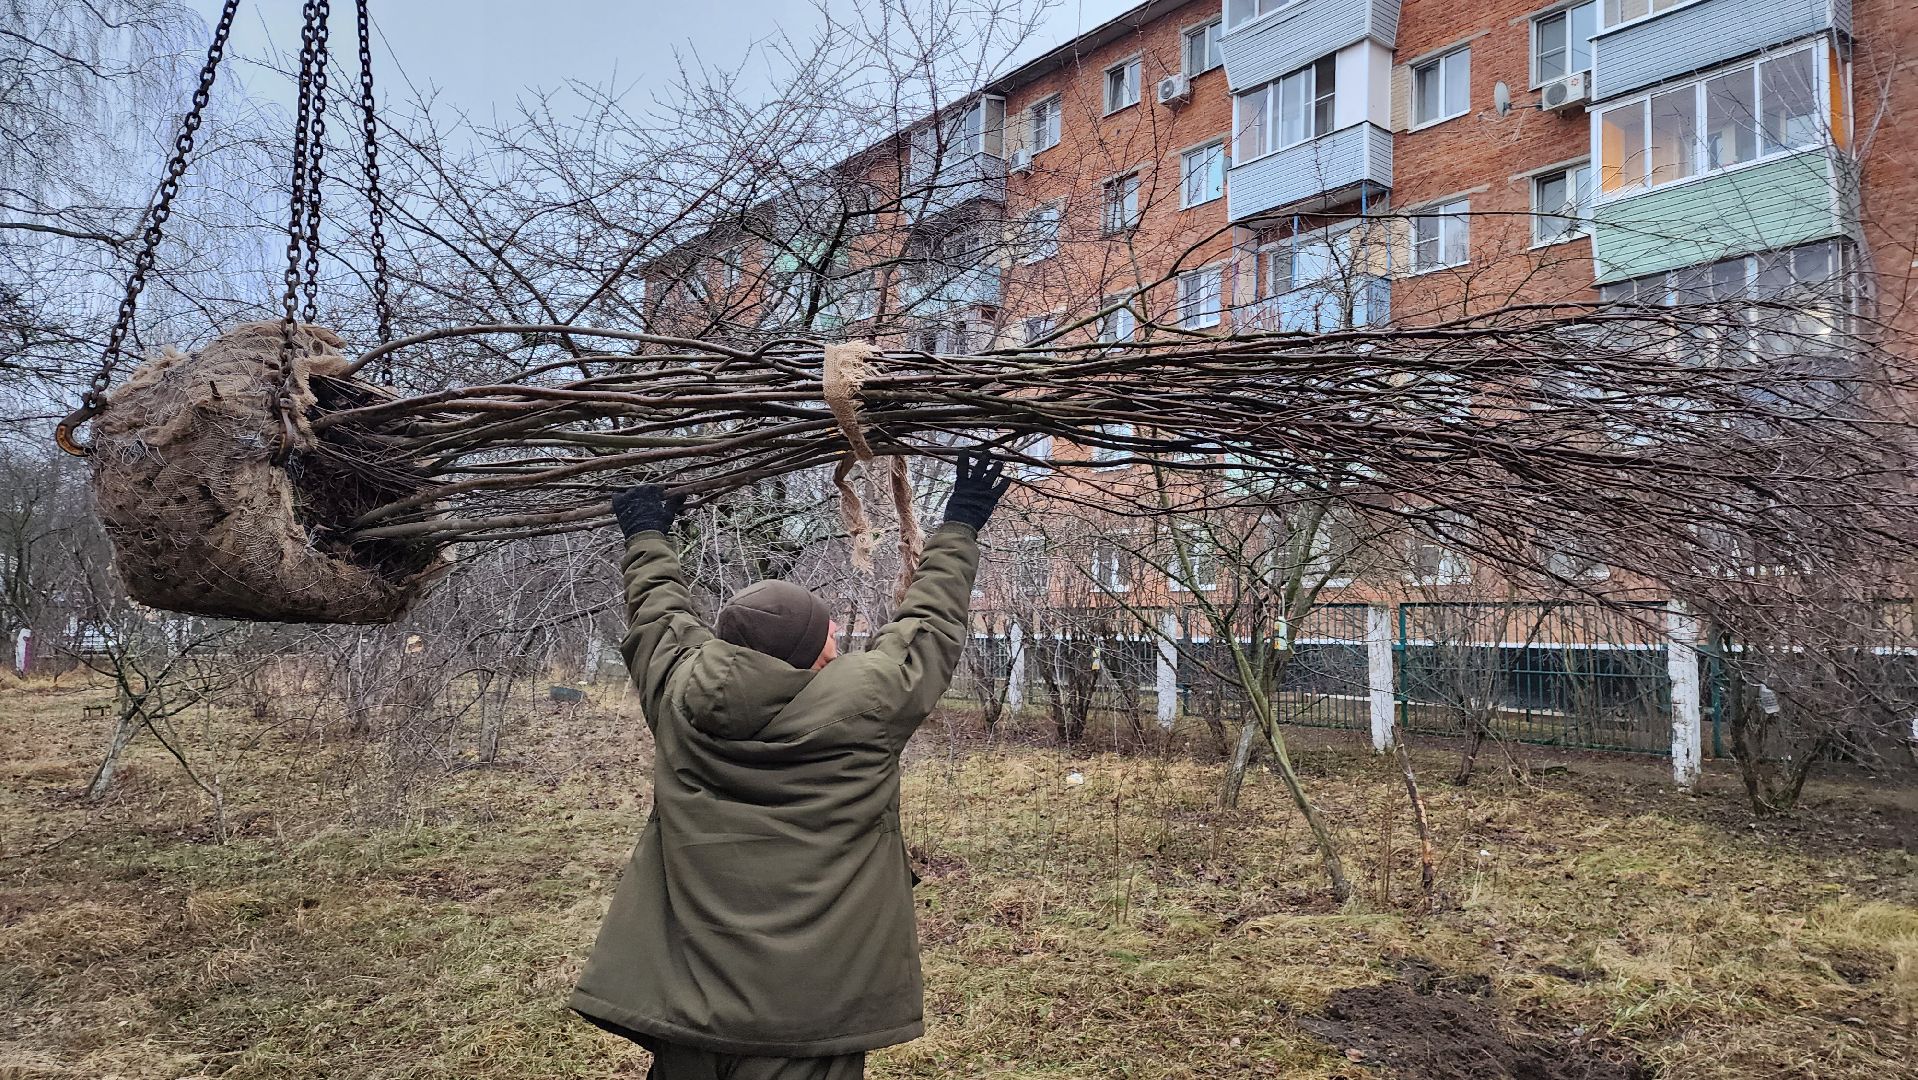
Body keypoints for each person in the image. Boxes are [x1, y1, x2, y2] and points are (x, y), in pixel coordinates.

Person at [572, 452, 1012, 1080]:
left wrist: (646, 535)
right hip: (811, 1013)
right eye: (828, 632)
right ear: (813, 652)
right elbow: (928, 626)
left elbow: (659, 615)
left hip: (689, 1003)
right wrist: (960, 524)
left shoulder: (677, 693)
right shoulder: (870, 706)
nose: (837, 636)